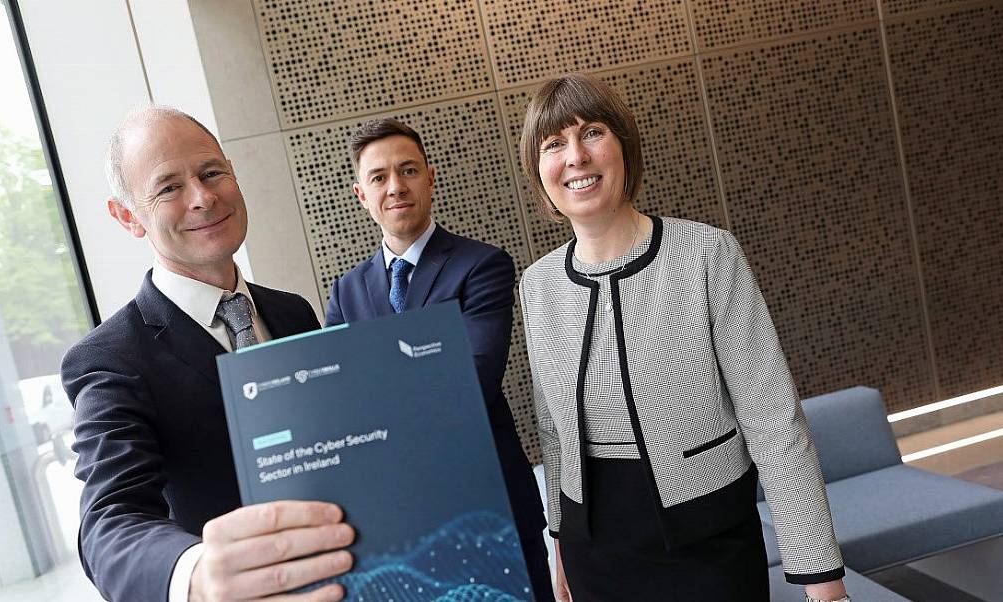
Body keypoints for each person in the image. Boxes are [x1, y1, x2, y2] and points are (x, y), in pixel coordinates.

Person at [517, 74, 851, 601]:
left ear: (624, 146)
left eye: (593, 132)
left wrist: (822, 580)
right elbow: (554, 434)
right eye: (553, 144)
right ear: (540, 173)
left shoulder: (706, 256)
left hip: (707, 544)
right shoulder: (537, 285)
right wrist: (558, 541)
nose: (575, 156)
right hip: (595, 555)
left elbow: (773, 420)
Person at [62, 106, 356, 602]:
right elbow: (109, 524)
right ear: (128, 216)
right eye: (169, 187)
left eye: (211, 172)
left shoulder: (293, 313)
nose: (202, 197)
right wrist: (195, 574)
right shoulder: (110, 357)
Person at [324, 118, 553, 600]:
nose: (395, 186)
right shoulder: (347, 292)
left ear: (430, 178)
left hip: (490, 507)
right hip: (399, 524)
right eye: (379, 177)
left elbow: (472, 381)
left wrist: (375, 393)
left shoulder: (482, 266)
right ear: (361, 195)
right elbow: (337, 401)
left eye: (407, 170)